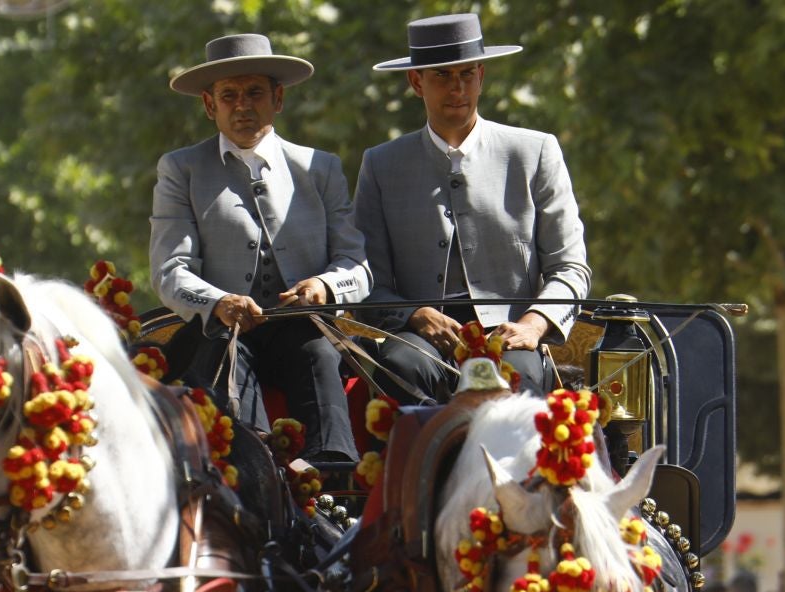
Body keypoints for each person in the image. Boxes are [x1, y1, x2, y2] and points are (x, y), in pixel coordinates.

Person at [151, 34, 371, 462]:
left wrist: (325, 288)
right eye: (228, 95)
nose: (242, 106)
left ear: (278, 98)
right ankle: (253, 475)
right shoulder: (182, 170)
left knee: (318, 354)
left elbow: (357, 264)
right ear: (209, 106)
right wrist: (219, 301)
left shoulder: (320, 168)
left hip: (304, 329)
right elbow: (170, 270)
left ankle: (334, 478)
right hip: (226, 331)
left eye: (255, 93)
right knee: (225, 362)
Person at [353, 12, 590, 402]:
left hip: (512, 336)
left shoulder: (534, 152)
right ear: (416, 82)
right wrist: (414, 316)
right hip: (421, 339)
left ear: (481, 76)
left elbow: (570, 267)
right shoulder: (381, 164)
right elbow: (367, 282)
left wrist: (533, 324)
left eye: (467, 74)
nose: (457, 88)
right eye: (442, 76)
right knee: (399, 368)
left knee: (518, 381)